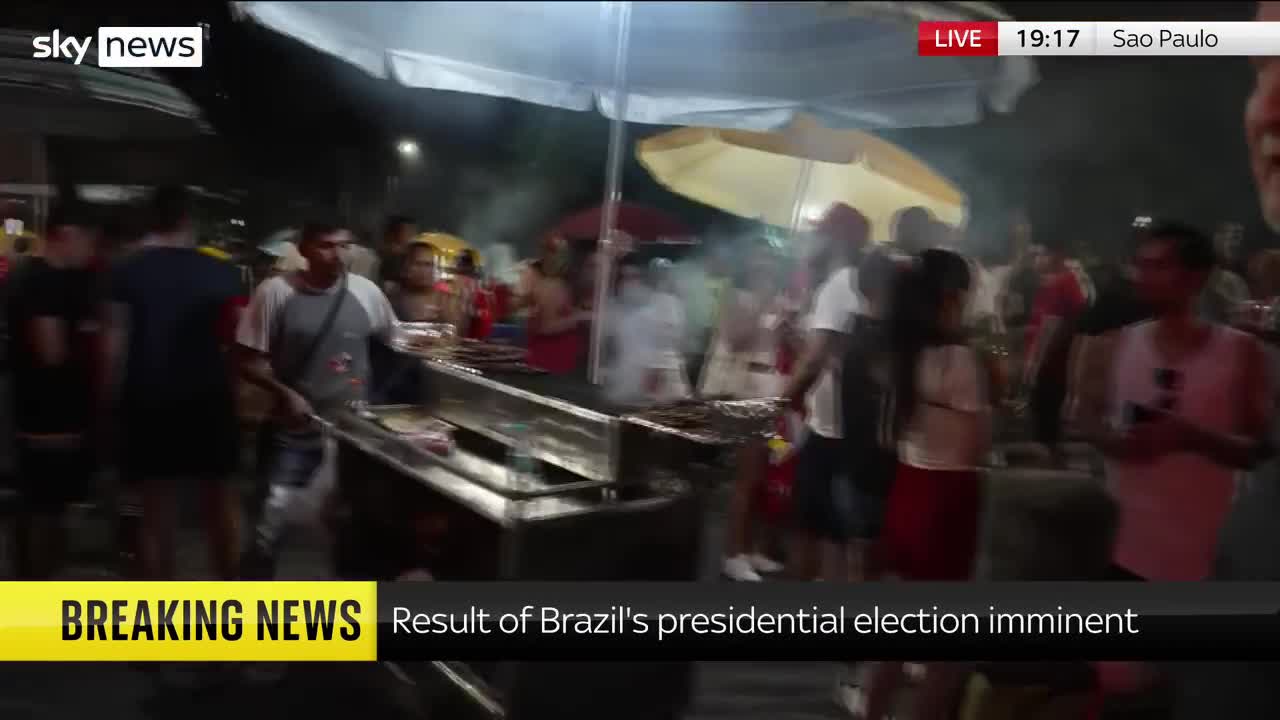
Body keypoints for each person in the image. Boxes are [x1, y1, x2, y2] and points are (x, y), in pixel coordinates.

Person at [862, 248, 989, 720]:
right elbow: (976, 445)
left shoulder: (897, 351)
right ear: (951, 298)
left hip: (908, 489)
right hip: (948, 497)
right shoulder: (958, 361)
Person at [237, 221, 398, 580]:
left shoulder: (367, 293)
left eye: (345, 246)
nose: (339, 256)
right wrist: (285, 393)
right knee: (268, 530)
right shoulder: (276, 292)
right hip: (294, 432)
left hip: (354, 436)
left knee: (350, 531)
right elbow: (246, 361)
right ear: (305, 249)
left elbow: (394, 347)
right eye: (327, 246)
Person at [104, 186, 243, 582]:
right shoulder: (223, 272)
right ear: (188, 221)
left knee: (155, 514)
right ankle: (232, 599)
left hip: (148, 402)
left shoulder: (125, 270)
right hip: (210, 401)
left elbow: (113, 349)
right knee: (221, 504)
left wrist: (106, 408)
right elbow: (237, 346)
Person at [780, 203, 871, 582]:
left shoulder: (838, 285)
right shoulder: (860, 282)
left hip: (830, 426)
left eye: (819, 233)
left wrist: (783, 400)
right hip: (852, 425)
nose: (812, 240)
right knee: (837, 531)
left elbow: (816, 360)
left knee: (808, 525)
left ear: (835, 240)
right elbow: (836, 352)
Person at [7, 201, 99, 578]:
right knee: (45, 511)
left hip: (44, 413)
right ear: (67, 234)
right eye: (88, 241)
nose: (90, 251)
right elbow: (51, 351)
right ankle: (36, 595)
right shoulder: (43, 281)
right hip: (48, 415)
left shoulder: (33, 275)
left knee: (44, 509)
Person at [703, 239, 788, 582]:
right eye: (759, 256)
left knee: (762, 477)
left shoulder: (778, 300)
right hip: (741, 393)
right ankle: (731, 554)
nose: (766, 263)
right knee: (745, 478)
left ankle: (751, 548)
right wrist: (762, 306)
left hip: (769, 387)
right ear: (748, 263)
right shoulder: (734, 297)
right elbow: (735, 339)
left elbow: (775, 345)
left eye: (771, 257)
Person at [1024, 235, 1088, 453]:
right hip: (1045, 363)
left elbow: (1054, 328)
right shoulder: (1049, 284)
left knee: (1046, 422)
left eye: (1042, 254)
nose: (1037, 259)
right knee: (1041, 421)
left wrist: (1035, 363)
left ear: (1057, 255)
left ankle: (1052, 463)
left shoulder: (1065, 284)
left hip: (1052, 366)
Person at [605, 257, 691, 407]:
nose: (661, 279)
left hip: (659, 377)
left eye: (664, 274)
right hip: (634, 383)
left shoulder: (672, 304)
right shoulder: (640, 304)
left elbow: (672, 341)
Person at [525, 234, 590, 374]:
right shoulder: (552, 285)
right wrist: (580, 316)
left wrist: (575, 312)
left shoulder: (554, 283)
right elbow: (546, 326)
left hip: (554, 360)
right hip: (550, 361)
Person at [389, 242, 442, 323]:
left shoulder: (443, 300)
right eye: (418, 264)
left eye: (428, 264)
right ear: (406, 266)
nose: (424, 270)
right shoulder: (393, 298)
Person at [378, 215, 417, 294]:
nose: (414, 236)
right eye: (409, 232)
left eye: (414, 232)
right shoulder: (391, 258)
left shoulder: (411, 254)